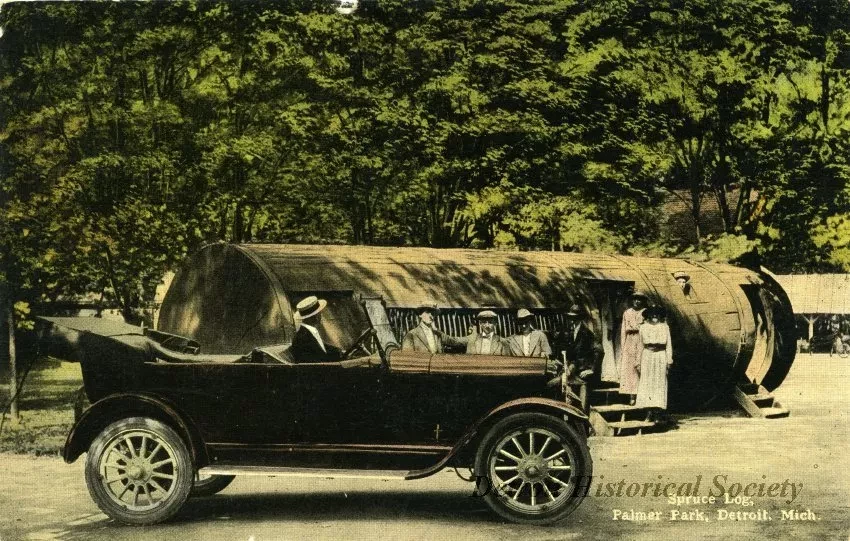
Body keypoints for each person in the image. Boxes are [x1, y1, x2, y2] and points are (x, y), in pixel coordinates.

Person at [635, 305, 673, 420]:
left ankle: (657, 413)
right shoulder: (643, 327)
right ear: (648, 315)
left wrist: (669, 360)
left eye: (657, 313)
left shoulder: (665, 327)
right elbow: (640, 345)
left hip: (660, 355)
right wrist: (638, 361)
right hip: (647, 355)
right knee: (647, 383)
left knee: (659, 383)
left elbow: (669, 345)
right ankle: (649, 413)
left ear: (660, 315)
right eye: (652, 313)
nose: (654, 315)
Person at [290, 296, 341, 362]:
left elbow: (321, 347)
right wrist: (338, 355)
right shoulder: (303, 337)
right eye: (319, 313)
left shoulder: (307, 332)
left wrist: (338, 351)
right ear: (316, 316)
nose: (320, 315)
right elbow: (318, 358)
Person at [618, 292, 646, 405]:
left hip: (641, 340)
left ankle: (640, 394)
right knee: (629, 368)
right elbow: (623, 330)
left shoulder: (645, 312)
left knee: (639, 366)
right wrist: (623, 345)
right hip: (629, 341)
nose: (637, 302)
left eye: (639, 299)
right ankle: (631, 395)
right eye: (635, 299)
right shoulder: (627, 312)